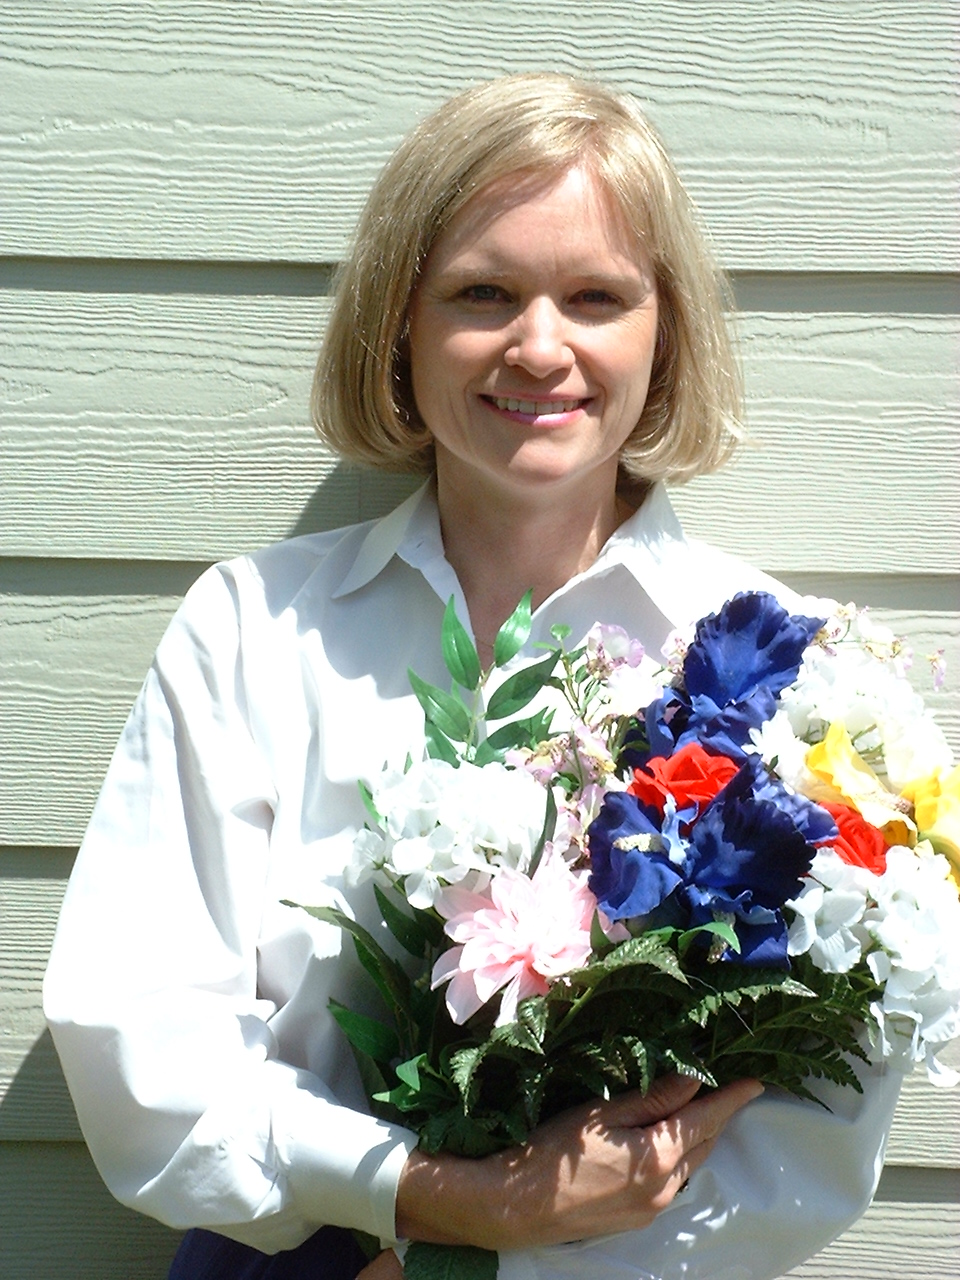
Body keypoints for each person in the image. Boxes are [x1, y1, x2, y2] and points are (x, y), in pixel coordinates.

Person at [43, 74, 901, 1280]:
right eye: (482, 293)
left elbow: (814, 1132)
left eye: (596, 296)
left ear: (664, 334)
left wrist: (497, 1259)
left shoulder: (798, 678)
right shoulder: (250, 631)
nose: (539, 346)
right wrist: (434, 1200)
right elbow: (140, 1035)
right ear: (399, 324)